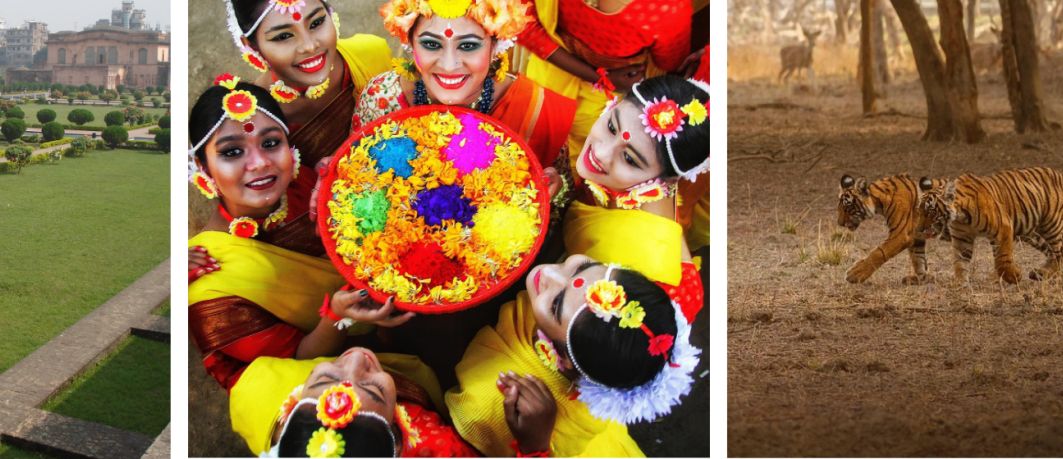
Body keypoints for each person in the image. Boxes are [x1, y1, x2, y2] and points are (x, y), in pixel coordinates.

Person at [187, 77, 414, 391]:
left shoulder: (308, 181)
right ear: (202, 167)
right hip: (330, 379)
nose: (259, 164)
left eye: (270, 143)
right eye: (232, 152)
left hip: (403, 309)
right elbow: (294, 360)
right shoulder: (209, 282)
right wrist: (336, 316)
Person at [445, 254, 700, 457]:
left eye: (555, 305)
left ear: (563, 356)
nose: (549, 272)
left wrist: (534, 447)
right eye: (583, 267)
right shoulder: (592, 321)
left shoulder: (488, 402)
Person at [481, 0, 696, 161]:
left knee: (531, 153)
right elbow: (671, 61)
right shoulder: (665, 5)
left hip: (544, 81)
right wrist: (603, 78)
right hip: (605, 109)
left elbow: (518, 20)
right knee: (587, 165)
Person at [354, 0, 578, 168]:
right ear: (411, 43)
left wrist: (553, 188)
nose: (449, 65)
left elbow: (564, 197)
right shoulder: (383, 100)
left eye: (468, 45)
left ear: (495, 46)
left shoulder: (539, 114)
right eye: (432, 44)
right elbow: (352, 178)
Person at [223, 0, 394, 166]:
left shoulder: (371, 54)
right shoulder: (252, 117)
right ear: (252, 46)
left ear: (330, 14)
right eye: (283, 36)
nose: (310, 45)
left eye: (316, 22)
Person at [563, 76, 708, 313]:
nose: (600, 152)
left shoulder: (648, 271)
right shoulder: (619, 178)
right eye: (611, 127)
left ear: (667, 179)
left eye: (629, 159)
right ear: (614, 103)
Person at [231, 347, 481, 457]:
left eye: (326, 378)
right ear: (395, 442)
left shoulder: (288, 427)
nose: (355, 358)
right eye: (372, 388)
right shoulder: (442, 449)